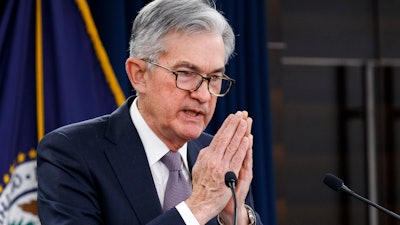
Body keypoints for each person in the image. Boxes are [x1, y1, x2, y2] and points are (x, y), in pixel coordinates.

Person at [37, 0, 264, 224]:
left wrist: (236, 216)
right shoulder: (71, 152)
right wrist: (199, 206)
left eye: (214, 78)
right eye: (185, 73)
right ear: (139, 74)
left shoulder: (218, 159)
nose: (204, 95)